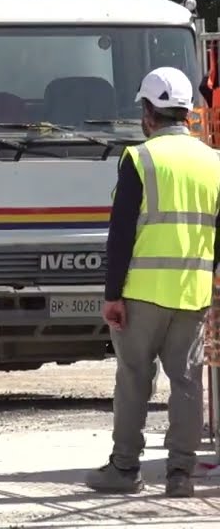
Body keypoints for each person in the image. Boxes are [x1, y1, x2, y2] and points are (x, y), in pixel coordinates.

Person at [85, 66, 220, 499]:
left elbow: (121, 232)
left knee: (133, 379)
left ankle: (125, 468)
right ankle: (180, 474)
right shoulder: (214, 161)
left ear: (148, 112)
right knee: (185, 383)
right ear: (188, 111)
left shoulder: (140, 158)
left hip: (141, 293)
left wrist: (111, 295)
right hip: (192, 293)